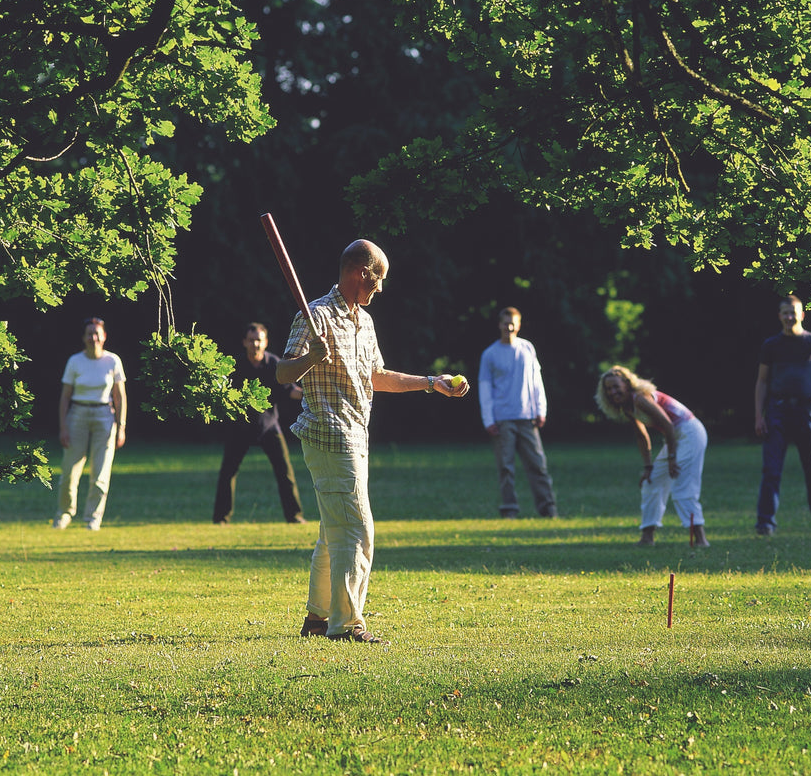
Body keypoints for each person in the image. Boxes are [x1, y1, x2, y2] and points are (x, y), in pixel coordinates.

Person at [277, 239, 468, 643]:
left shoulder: (364, 322)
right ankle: (346, 625)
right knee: (357, 531)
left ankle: (317, 618)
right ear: (362, 272)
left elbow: (378, 377)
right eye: (378, 279)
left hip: (356, 435)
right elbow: (282, 374)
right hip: (329, 435)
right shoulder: (315, 316)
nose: (380, 288)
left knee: (334, 531)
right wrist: (310, 358)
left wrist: (432, 383)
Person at [753, 295, 811, 536]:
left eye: (793, 312)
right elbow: (762, 382)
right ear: (779, 316)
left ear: (802, 314)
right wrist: (759, 416)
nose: (789, 317)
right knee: (771, 470)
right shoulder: (771, 345)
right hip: (777, 411)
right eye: (785, 312)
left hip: (808, 411)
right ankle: (765, 523)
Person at [594, 365, 709, 548]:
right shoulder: (627, 407)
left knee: (682, 486)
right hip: (676, 436)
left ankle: (700, 539)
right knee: (652, 481)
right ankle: (647, 537)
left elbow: (668, 425)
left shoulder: (640, 398)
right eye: (608, 389)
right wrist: (648, 467)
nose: (613, 392)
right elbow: (642, 435)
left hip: (690, 432)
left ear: (627, 383)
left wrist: (672, 457)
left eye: (616, 386)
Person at [213, 322, 307, 525]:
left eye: (259, 340)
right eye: (251, 340)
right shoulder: (234, 366)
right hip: (240, 427)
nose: (255, 344)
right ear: (245, 342)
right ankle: (221, 519)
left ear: (265, 343)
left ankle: (295, 516)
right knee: (227, 473)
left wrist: (311, 394)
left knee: (285, 472)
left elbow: (290, 391)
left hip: (268, 426)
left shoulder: (274, 364)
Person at [478, 307, 557, 519]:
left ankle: (548, 509)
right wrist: (489, 419)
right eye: (505, 323)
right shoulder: (490, 354)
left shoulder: (527, 349)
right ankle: (509, 510)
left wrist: (541, 409)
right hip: (502, 419)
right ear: (499, 325)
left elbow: (536, 382)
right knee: (506, 468)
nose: (509, 327)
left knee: (538, 466)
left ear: (519, 325)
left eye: (513, 323)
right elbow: (484, 388)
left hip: (527, 417)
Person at [53, 317, 127, 531]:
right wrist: (63, 426)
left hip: (105, 416)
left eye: (97, 333)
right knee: (69, 472)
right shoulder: (75, 361)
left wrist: (120, 426)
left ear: (104, 337)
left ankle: (93, 518)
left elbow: (120, 396)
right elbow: (65, 396)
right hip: (77, 415)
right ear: (84, 338)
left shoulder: (113, 361)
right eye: (89, 334)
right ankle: (64, 514)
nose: (93, 337)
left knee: (100, 473)